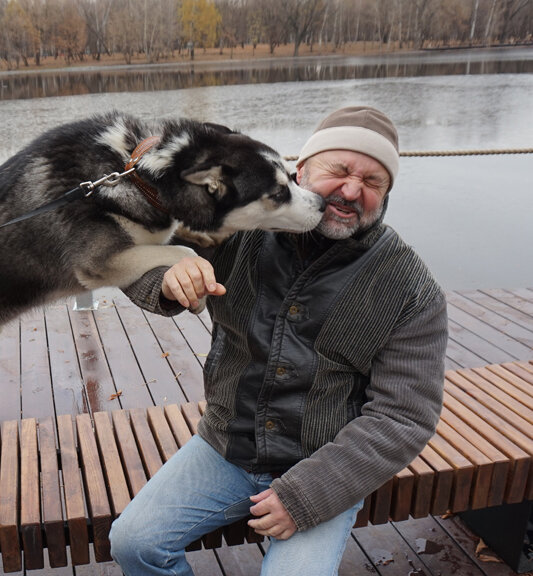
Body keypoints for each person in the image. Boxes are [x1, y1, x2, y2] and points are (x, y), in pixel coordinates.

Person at [109, 106, 448, 576]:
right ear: (300, 169)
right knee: (134, 543)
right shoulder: (238, 221)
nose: (352, 190)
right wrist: (169, 271)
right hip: (226, 445)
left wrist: (308, 495)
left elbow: (404, 416)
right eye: (340, 170)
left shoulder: (410, 288)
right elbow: (136, 239)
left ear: (387, 194)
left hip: (322, 464)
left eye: (373, 181)